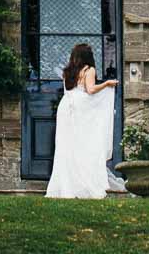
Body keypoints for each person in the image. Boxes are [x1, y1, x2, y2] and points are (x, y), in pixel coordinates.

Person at [43, 42, 123, 198]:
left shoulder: (67, 72)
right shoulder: (89, 70)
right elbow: (91, 90)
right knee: (85, 145)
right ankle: (83, 183)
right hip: (81, 108)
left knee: (66, 147)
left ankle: (65, 185)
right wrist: (106, 84)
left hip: (65, 107)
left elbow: (70, 90)